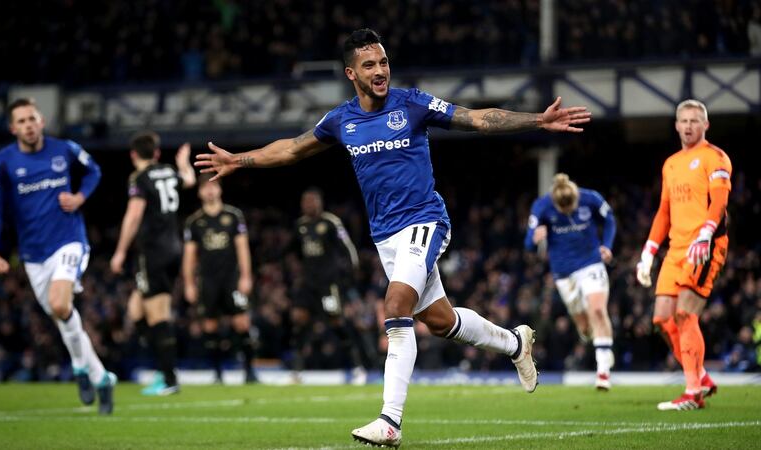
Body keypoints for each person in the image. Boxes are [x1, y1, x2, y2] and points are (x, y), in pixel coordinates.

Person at [196, 28, 590, 447]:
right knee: (441, 322)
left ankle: (390, 421)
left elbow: (476, 118)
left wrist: (537, 120)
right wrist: (239, 160)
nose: (380, 70)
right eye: (369, 65)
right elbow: (292, 148)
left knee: (396, 305)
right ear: (351, 74)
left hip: (425, 220)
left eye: (383, 62)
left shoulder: (412, 103)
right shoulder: (341, 120)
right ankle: (514, 343)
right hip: (386, 237)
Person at [0, 98, 116, 414]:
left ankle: (79, 367)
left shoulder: (64, 149)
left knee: (59, 304)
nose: (28, 125)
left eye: (32, 118)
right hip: (33, 254)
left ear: (41, 121)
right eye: (21, 121)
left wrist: (80, 197)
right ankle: (102, 377)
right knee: (63, 314)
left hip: (69, 241)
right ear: (12, 128)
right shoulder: (1, 162)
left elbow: (94, 171)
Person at [635, 99, 730, 411]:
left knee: (685, 315)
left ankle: (693, 393)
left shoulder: (715, 157)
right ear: (676, 125)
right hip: (676, 249)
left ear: (705, 125)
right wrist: (649, 251)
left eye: (694, 121)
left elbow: (719, 202)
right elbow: (664, 211)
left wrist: (705, 234)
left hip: (704, 245)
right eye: (684, 121)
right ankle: (700, 377)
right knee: (662, 319)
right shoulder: (671, 163)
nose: (689, 126)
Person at [110, 131, 196, 395]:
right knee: (136, 311)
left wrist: (120, 251)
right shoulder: (168, 171)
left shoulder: (139, 177)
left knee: (158, 314)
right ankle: (164, 365)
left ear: (133, 155)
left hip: (153, 252)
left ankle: (169, 379)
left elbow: (134, 215)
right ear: (157, 153)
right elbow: (190, 180)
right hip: (172, 248)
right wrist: (183, 163)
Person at [524, 173, 616, 390]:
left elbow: (609, 220)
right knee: (585, 328)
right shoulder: (542, 206)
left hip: (591, 262)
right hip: (564, 273)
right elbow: (528, 244)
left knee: (597, 310)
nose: (567, 211)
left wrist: (607, 245)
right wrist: (534, 239)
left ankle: (603, 370)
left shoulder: (591, 198)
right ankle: (602, 342)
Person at [289, 187, 369, 384]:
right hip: (308, 284)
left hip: (328, 285)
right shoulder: (300, 226)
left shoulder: (331, 222)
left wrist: (350, 274)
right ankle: (297, 372)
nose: (308, 205)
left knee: (337, 323)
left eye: (312, 201)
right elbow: (295, 252)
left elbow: (348, 248)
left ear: (319, 203)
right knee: (299, 321)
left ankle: (358, 368)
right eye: (305, 201)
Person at [182, 174, 258, 384]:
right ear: (199, 192)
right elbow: (189, 256)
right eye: (205, 187)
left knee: (242, 322)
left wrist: (246, 276)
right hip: (207, 280)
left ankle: (249, 372)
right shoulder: (194, 222)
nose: (210, 190)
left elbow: (243, 248)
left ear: (220, 189)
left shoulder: (233, 216)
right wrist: (188, 284)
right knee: (210, 326)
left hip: (232, 278)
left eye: (213, 186)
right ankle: (217, 373)